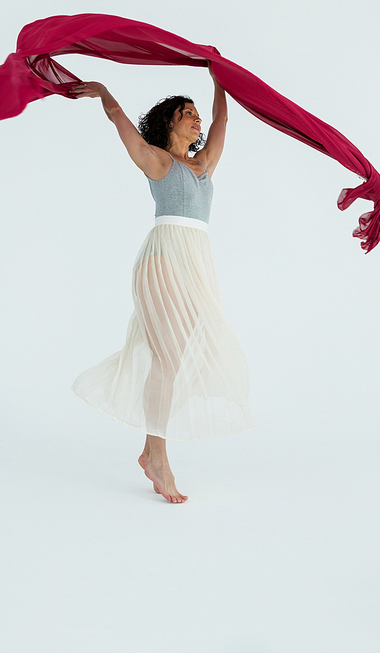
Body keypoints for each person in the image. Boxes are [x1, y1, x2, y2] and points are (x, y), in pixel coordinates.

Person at [69, 65, 253, 503]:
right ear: (170, 123)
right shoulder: (159, 160)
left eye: (197, 113)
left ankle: (152, 450)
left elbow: (223, 120)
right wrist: (104, 94)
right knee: (169, 360)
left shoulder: (203, 165)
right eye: (187, 113)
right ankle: (158, 456)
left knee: (172, 358)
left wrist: (218, 74)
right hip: (163, 261)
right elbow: (124, 128)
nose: (198, 118)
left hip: (194, 265)